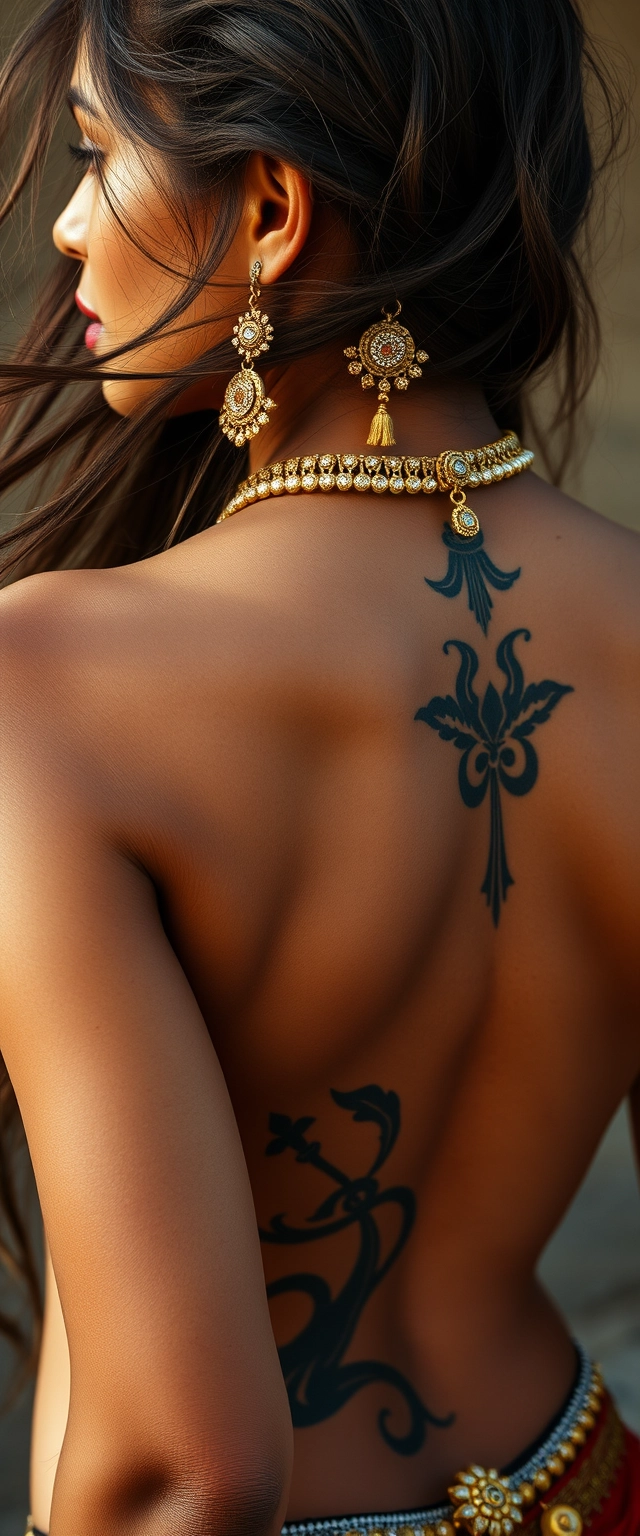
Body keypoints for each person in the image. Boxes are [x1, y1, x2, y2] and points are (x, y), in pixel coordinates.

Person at [0, 0, 637, 1533]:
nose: (74, 231)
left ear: (274, 212)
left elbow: (185, 1467)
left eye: (97, 156)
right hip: (585, 1480)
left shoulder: (47, 689)